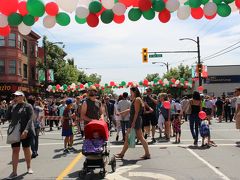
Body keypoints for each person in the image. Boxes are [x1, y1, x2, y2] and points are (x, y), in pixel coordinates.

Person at [115, 87, 150, 159]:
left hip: (135, 120)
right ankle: (147, 154)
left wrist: (133, 122)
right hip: (134, 120)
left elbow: (136, 112)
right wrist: (121, 113)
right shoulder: (135, 99)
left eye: (131, 92)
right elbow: (130, 109)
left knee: (130, 137)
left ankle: (122, 154)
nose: (130, 93)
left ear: (134, 92)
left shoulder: (137, 100)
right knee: (139, 137)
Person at [6, 91, 35, 179]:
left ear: (22, 96)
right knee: (15, 150)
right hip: (15, 132)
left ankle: (29, 167)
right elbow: (8, 117)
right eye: (15, 96)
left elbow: (30, 119)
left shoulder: (28, 106)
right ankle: (14, 172)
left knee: (26, 149)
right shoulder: (12, 106)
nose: (16, 97)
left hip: (26, 131)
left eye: (18, 96)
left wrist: (26, 130)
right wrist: (9, 107)